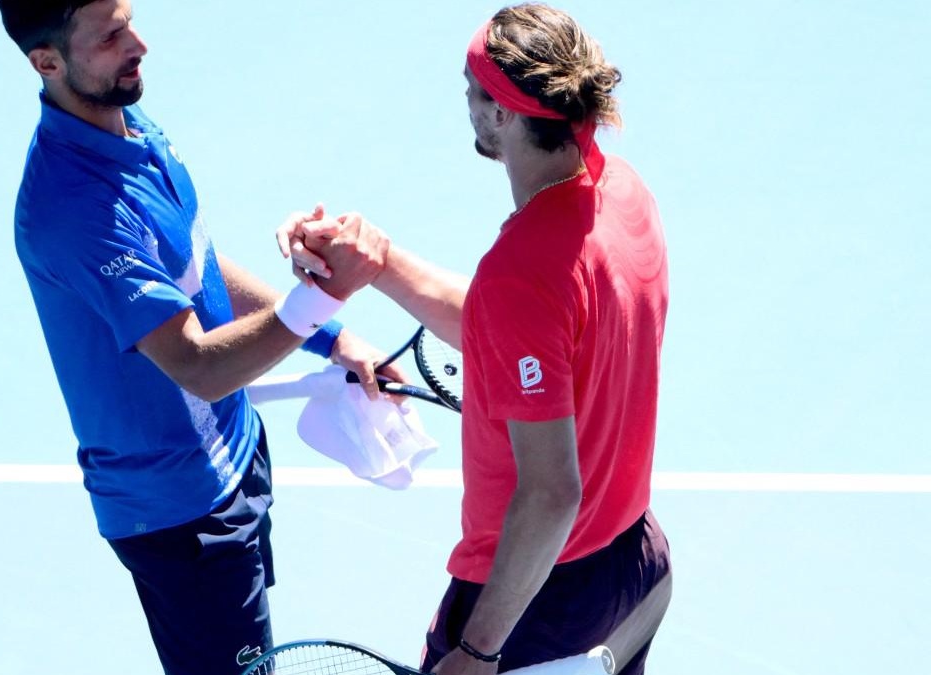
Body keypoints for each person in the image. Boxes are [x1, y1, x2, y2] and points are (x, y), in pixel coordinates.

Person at [0, 2, 390, 674]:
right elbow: (199, 367)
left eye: (131, 20)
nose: (139, 44)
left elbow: (195, 263)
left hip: (233, 455)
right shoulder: (77, 209)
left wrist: (331, 335)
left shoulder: (128, 118)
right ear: (47, 62)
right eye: (113, 36)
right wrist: (320, 294)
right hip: (182, 518)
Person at [281, 4, 671, 673]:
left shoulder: (525, 271)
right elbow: (524, 327)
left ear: (503, 115)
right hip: (631, 563)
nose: (464, 100)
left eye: (472, 89)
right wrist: (378, 261)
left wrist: (477, 647)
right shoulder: (623, 193)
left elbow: (552, 492)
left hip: (534, 603)